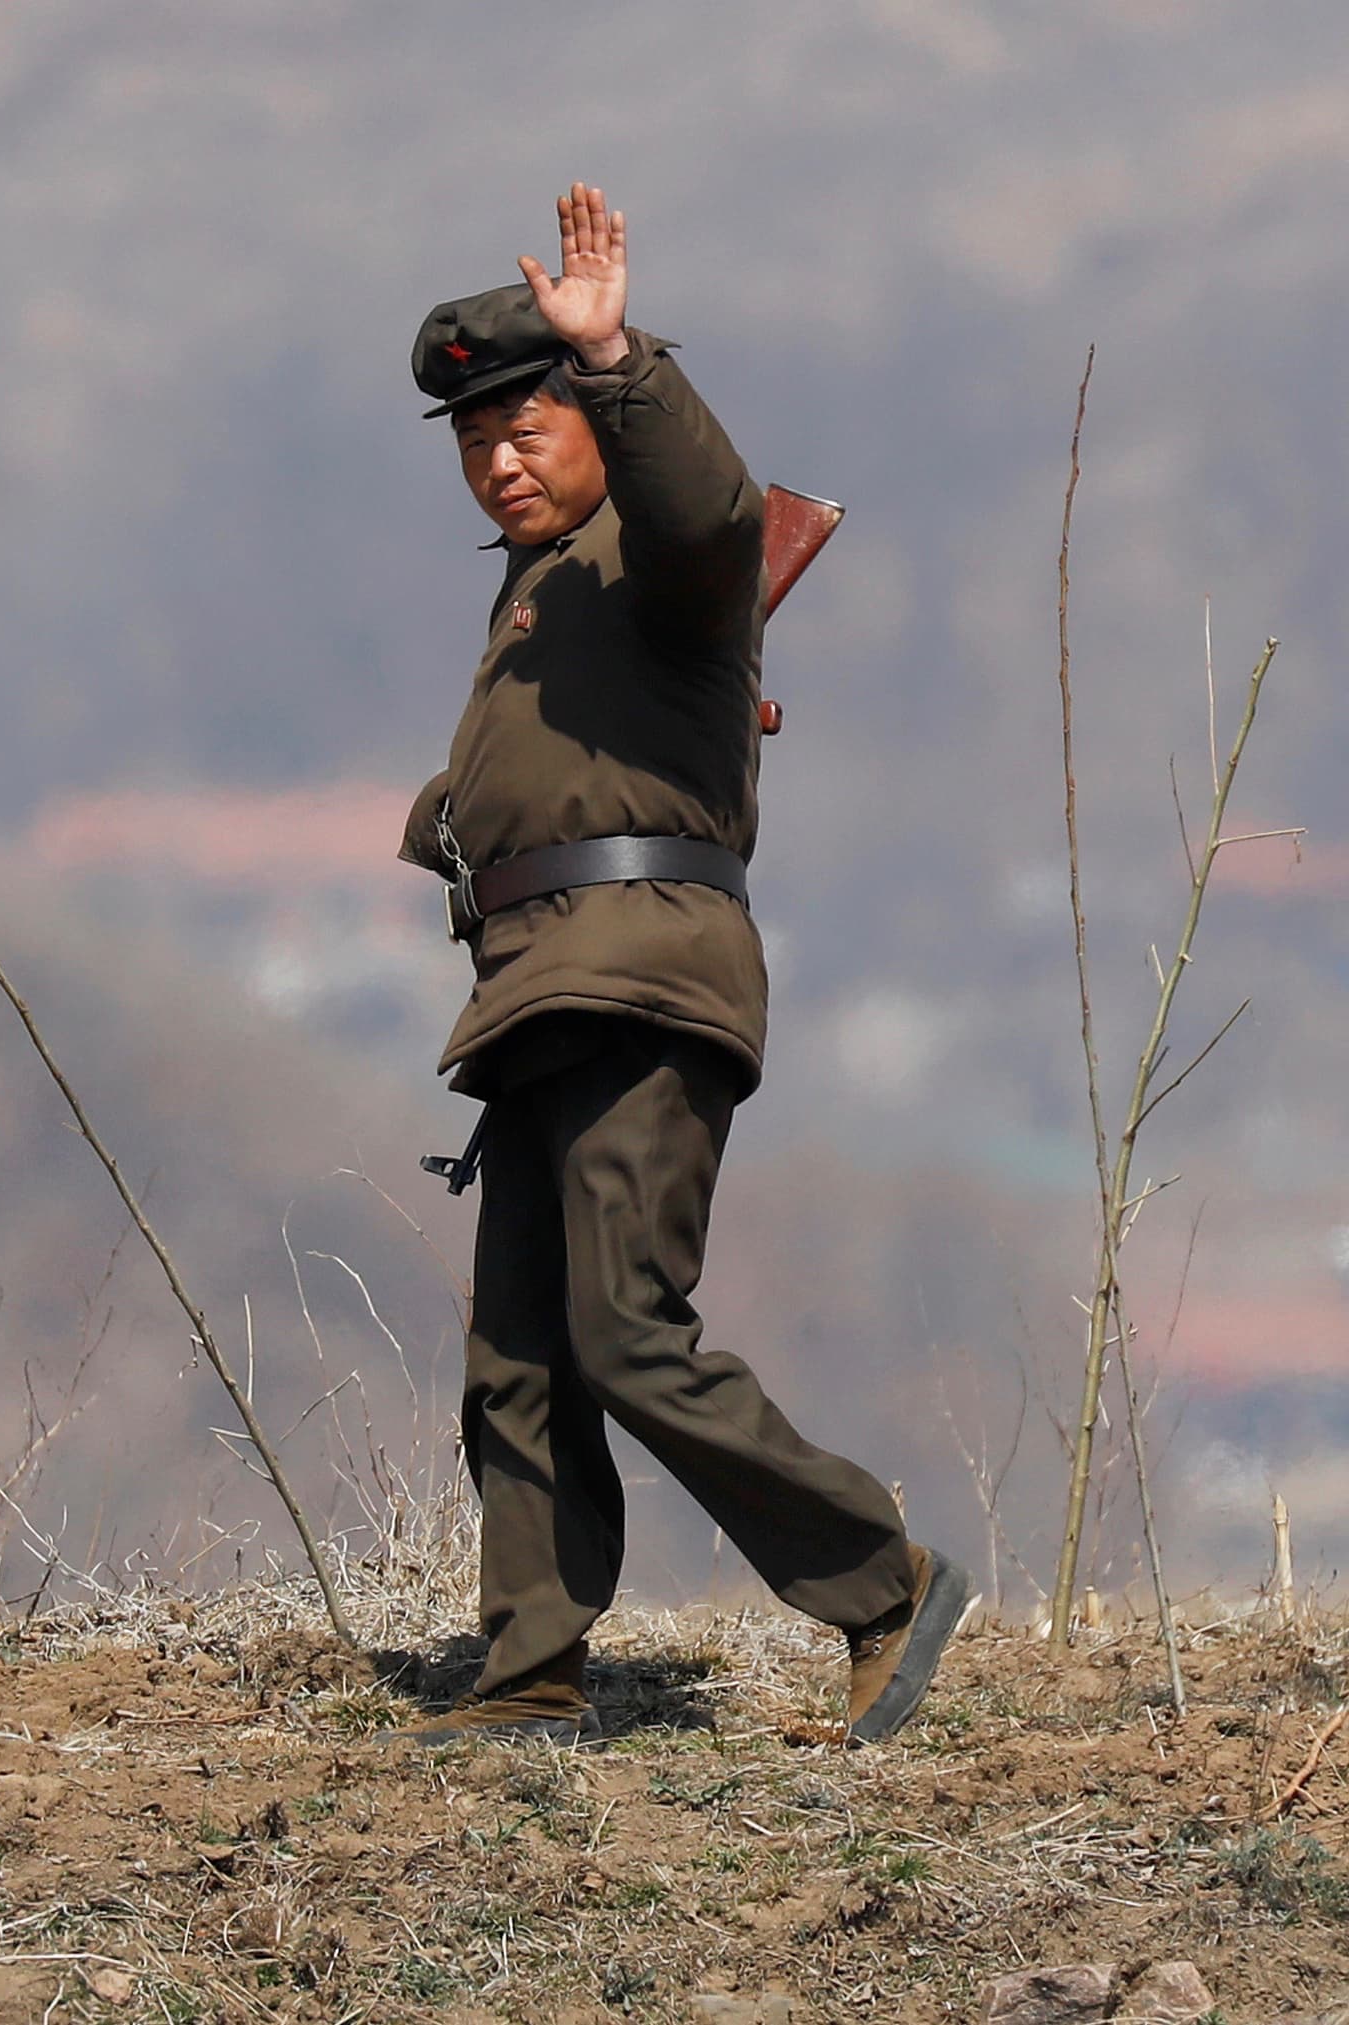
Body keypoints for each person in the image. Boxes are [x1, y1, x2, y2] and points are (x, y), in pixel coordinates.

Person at [393, 184, 968, 1747]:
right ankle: (529, 1671)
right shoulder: (535, 593)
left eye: (527, 426)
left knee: (626, 1334)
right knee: (518, 1353)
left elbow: (713, 512)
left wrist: (618, 357)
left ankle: (887, 1581)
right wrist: (451, 823)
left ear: (595, 426)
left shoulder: (662, 559)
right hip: (539, 990)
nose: (498, 460)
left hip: (642, 981)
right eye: (473, 440)